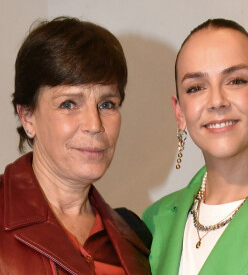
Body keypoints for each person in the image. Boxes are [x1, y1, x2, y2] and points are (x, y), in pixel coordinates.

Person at [143, 18, 248, 274]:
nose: (216, 100)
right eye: (196, 87)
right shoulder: (154, 223)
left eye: (235, 81)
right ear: (179, 111)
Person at [0, 17, 151, 275]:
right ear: (27, 116)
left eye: (107, 104)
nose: (94, 125)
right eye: (69, 103)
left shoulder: (136, 236)